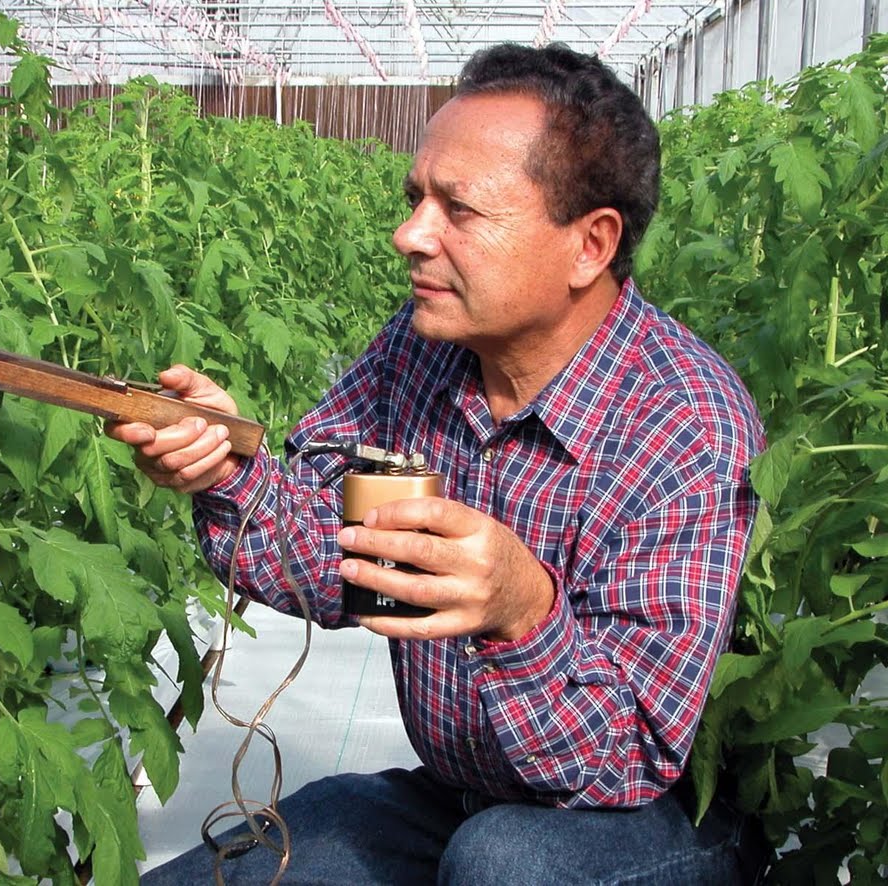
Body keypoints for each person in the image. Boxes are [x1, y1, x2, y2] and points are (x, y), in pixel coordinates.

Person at [109, 42, 767, 885]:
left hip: (645, 822)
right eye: (415, 199)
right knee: (244, 871)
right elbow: (335, 564)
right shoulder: (420, 352)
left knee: (508, 862)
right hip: (452, 802)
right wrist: (229, 471)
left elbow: (625, 763)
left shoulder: (684, 423)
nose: (409, 235)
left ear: (590, 245)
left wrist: (524, 614)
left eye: (458, 209)